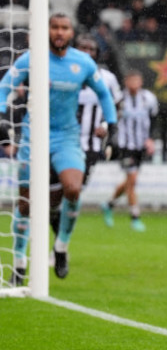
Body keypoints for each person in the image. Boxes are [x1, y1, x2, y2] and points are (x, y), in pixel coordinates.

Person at [0, 13, 118, 285]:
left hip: (66, 136)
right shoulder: (32, 58)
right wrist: (2, 115)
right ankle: (19, 262)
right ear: (47, 30)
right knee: (26, 202)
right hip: (33, 134)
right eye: (54, 27)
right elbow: (6, 85)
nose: (59, 32)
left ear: (71, 33)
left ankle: (61, 246)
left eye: (64, 28)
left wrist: (112, 125)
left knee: (73, 188)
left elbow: (104, 94)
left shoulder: (83, 62)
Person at [49, 34, 124, 237]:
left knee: (73, 192)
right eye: (83, 48)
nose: (87, 53)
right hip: (60, 141)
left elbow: (117, 106)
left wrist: (105, 126)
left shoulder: (107, 78)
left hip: (90, 145)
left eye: (92, 49)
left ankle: (59, 246)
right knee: (54, 197)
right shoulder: (60, 71)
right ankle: (56, 227)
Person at [101, 69, 158, 232]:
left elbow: (153, 119)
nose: (134, 84)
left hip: (140, 145)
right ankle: (135, 216)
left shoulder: (149, 98)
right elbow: (110, 118)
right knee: (132, 180)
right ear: (126, 82)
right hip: (125, 145)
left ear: (141, 82)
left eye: (136, 80)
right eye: (130, 80)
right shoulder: (120, 99)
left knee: (129, 181)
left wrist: (150, 139)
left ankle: (109, 204)